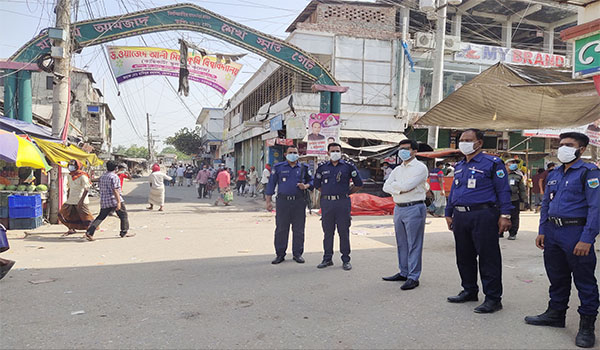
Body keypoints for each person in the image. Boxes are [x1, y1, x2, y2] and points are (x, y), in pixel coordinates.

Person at [525, 132, 600, 348]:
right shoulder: (555, 173)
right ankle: (556, 314)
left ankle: (587, 326)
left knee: (584, 281)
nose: (562, 148)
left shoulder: (589, 173)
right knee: (557, 277)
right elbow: (547, 204)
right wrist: (542, 230)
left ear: (582, 149)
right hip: (553, 232)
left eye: (568, 145)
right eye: (561, 145)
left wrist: (587, 238)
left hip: (575, 232)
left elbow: (596, 208)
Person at [445, 129, 512, 314]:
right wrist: (448, 212)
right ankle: (469, 290)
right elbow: (454, 192)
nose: (464, 143)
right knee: (464, 256)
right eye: (461, 140)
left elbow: (503, 190)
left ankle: (493, 298)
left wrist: (505, 215)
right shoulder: (459, 166)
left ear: (479, 143)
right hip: (460, 216)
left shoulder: (492, 163)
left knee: (488, 257)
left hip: (484, 215)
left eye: (468, 140)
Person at [382, 139, 429, 290]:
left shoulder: (420, 168)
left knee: (414, 243)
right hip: (399, 207)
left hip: (414, 207)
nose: (403, 151)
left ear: (415, 151)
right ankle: (404, 272)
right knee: (402, 242)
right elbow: (385, 186)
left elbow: (408, 186)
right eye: (401, 148)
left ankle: (413, 276)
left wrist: (395, 187)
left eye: (406, 149)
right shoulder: (397, 169)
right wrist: (399, 188)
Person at [314, 143, 363, 271]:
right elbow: (317, 184)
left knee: (344, 232)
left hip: (342, 203)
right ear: (328, 153)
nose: (335, 152)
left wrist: (346, 193)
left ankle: (346, 259)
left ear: (341, 152)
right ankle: (327, 258)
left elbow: (358, 183)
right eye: (333, 151)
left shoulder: (348, 166)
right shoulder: (322, 167)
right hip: (327, 204)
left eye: (338, 150)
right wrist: (328, 193)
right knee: (328, 232)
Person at [266, 146, 313, 264]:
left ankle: (297, 254)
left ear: (298, 154)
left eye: (295, 152)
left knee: (299, 229)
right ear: (285, 154)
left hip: (299, 202)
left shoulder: (303, 167)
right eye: (290, 152)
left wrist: (306, 186)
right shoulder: (278, 167)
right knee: (281, 229)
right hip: (283, 202)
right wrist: (268, 201)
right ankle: (280, 254)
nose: (293, 154)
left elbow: (312, 181)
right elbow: (271, 184)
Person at [85, 160, 132, 241]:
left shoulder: (103, 176)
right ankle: (124, 232)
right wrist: (118, 202)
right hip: (114, 199)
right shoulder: (114, 177)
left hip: (105, 200)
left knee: (100, 217)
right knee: (123, 215)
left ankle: (89, 232)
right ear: (116, 168)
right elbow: (115, 190)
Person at [58, 159, 94, 236]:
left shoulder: (83, 176)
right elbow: (69, 188)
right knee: (63, 215)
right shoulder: (70, 176)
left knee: (86, 218)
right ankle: (71, 229)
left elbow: (86, 189)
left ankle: (90, 232)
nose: (70, 167)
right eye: (69, 165)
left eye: (72, 165)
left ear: (77, 166)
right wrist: (67, 197)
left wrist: (81, 201)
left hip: (81, 200)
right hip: (71, 200)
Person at [505, 159, 527, 240]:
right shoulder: (500, 174)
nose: (514, 164)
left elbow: (522, 189)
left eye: (515, 163)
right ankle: (499, 232)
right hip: (501, 199)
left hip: (514, 199)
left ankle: (512, 233)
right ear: (506, 164)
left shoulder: (518, 176)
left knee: (514, 217)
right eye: (512, 163)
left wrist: (524, 199)